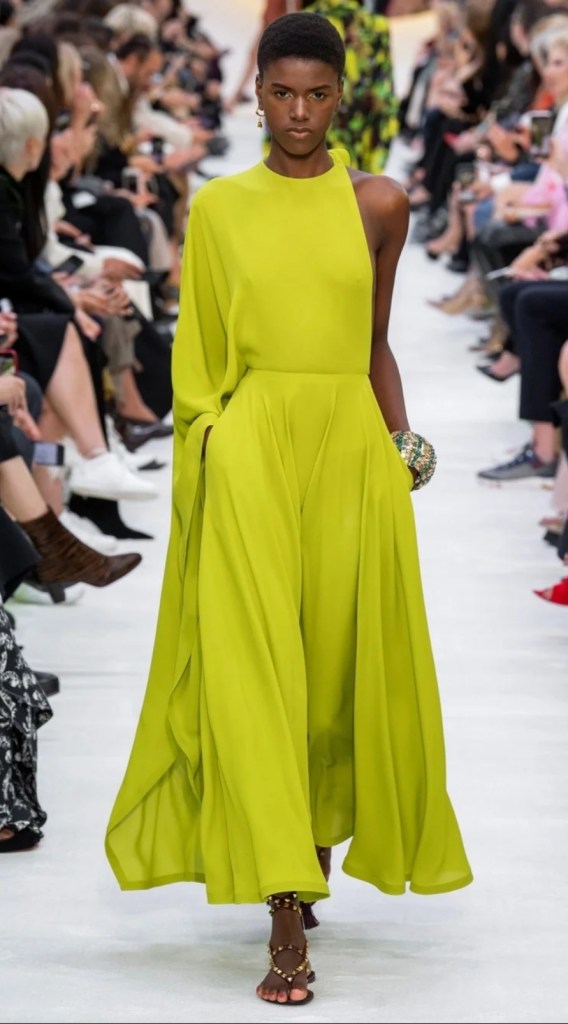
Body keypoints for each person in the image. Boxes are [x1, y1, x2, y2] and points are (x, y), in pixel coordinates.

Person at [106, 13, 472, 1007]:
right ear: (256, 94)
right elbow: (199, 353)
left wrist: (401, 443)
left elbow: (373, 341)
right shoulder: (220, 208)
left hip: (350, 450)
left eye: (318, 94)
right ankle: (281, 911)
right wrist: (212, 445)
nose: (300, 112)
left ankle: (306, 842)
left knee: (333, 671)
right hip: (251, 450)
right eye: (281, 93)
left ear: (342, 96)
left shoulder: (380, 203)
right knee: (257, 666)